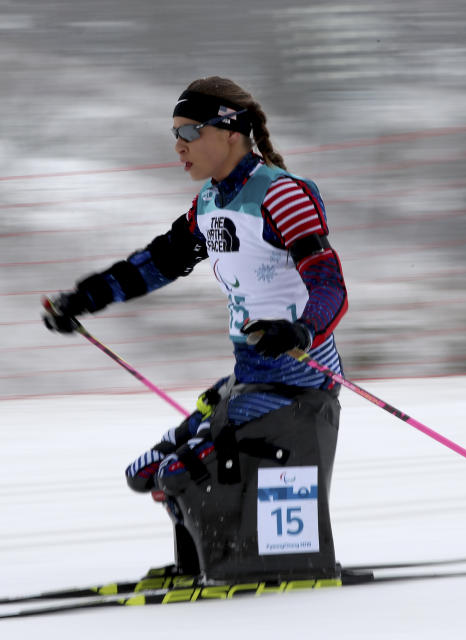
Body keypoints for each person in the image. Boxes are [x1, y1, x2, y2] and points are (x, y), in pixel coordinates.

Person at [42, 76, 348, 583]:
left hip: (301, 379)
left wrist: (300, 331)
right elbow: (154, 263)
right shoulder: (210, 202)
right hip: (249, 376)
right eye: (174, 134)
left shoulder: (281, 195)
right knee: (149, 471)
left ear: (230, 131)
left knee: (181, 472)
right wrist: (83, 299)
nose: (179, 145)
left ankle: (253, 561)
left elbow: (329, 283)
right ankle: (204, 561)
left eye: (191, 131)